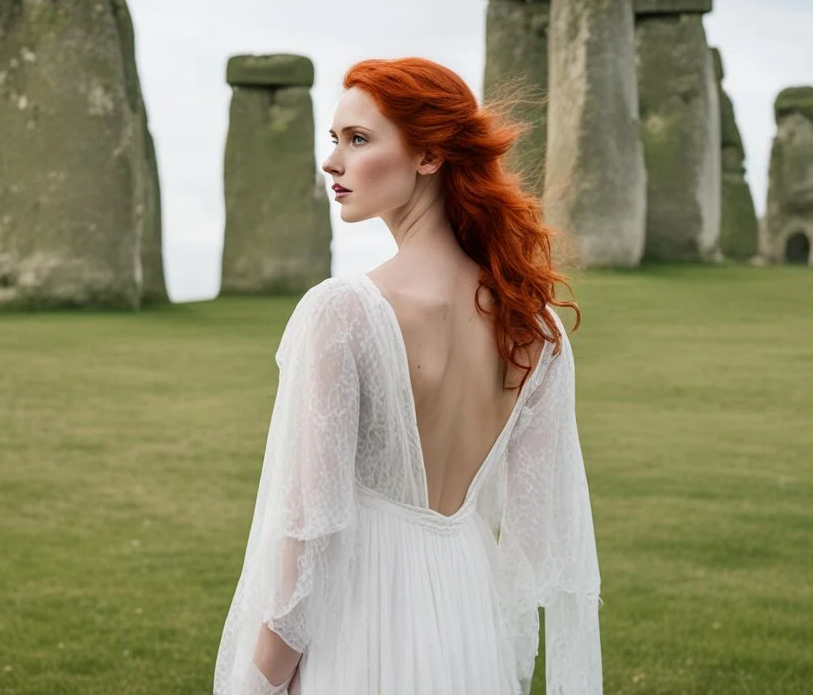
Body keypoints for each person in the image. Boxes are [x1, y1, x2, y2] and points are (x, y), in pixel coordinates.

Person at [213, 57, 601, 694]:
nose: (332, 162)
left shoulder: (342, 313)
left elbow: (309, 538)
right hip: (470, 623)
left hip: (360, 624)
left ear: (428, 156)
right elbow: (531, 547)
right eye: (333, 140)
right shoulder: (535, 330)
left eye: (359, 140)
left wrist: (258, 684)